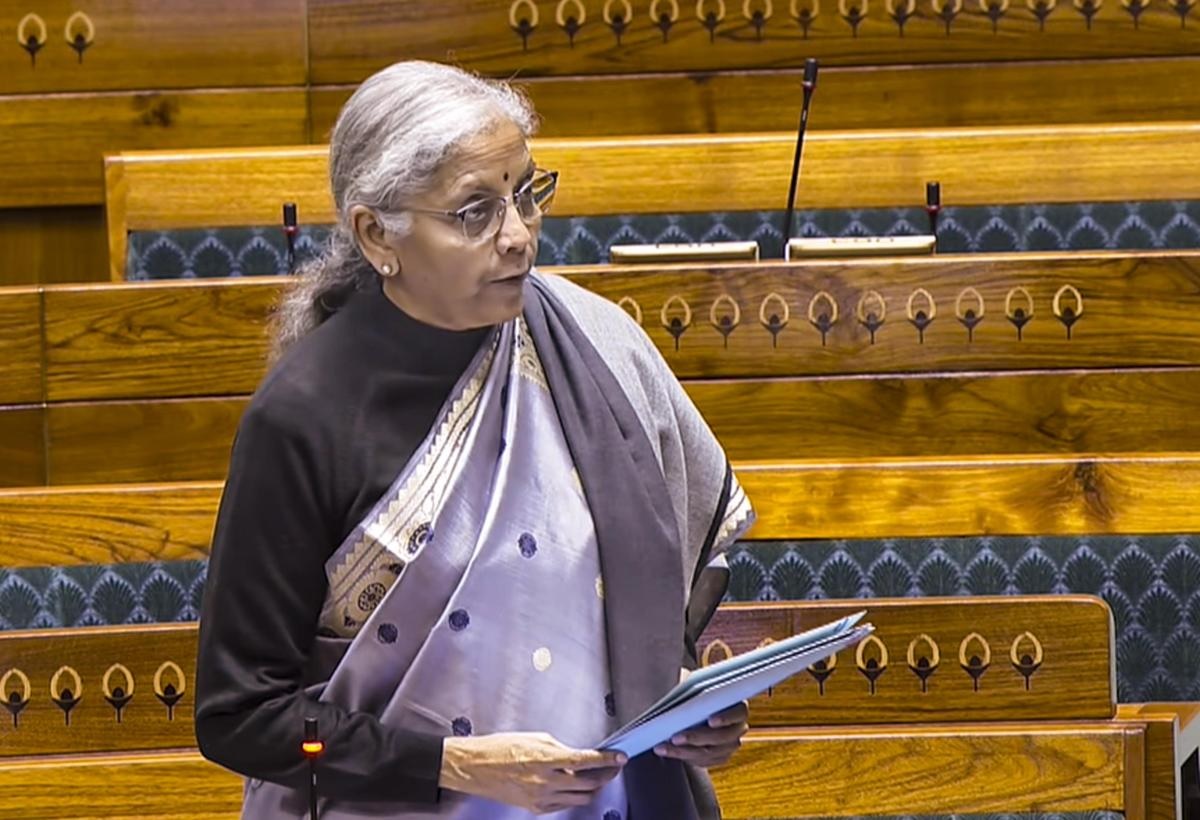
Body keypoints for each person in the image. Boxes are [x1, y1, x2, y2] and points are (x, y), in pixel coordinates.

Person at [195, 60, 755, 819]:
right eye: (474, 212)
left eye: (526, 194)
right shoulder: (303, 419)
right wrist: (450, 765)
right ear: (376, 234)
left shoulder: (597, 344)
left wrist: (684, 707)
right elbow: (240, 718)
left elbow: (642, 608)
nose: (519, 236)